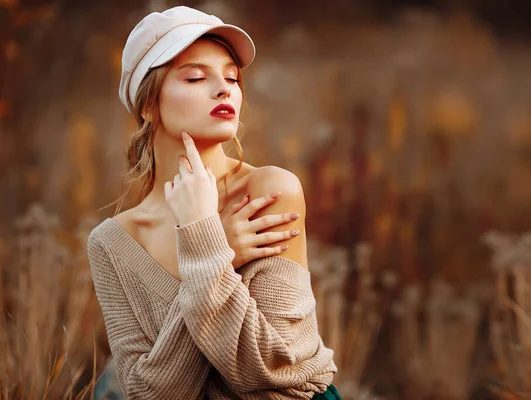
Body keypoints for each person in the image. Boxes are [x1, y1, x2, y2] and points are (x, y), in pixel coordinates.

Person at [87, 5, 342, 400]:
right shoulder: (112, 242)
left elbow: (278, 378)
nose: (224, 89)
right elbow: (150, 394)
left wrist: (206, 246)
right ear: (149, 105)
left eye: (232, 77)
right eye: (194, 77)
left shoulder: (269, 192)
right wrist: (215, 247)